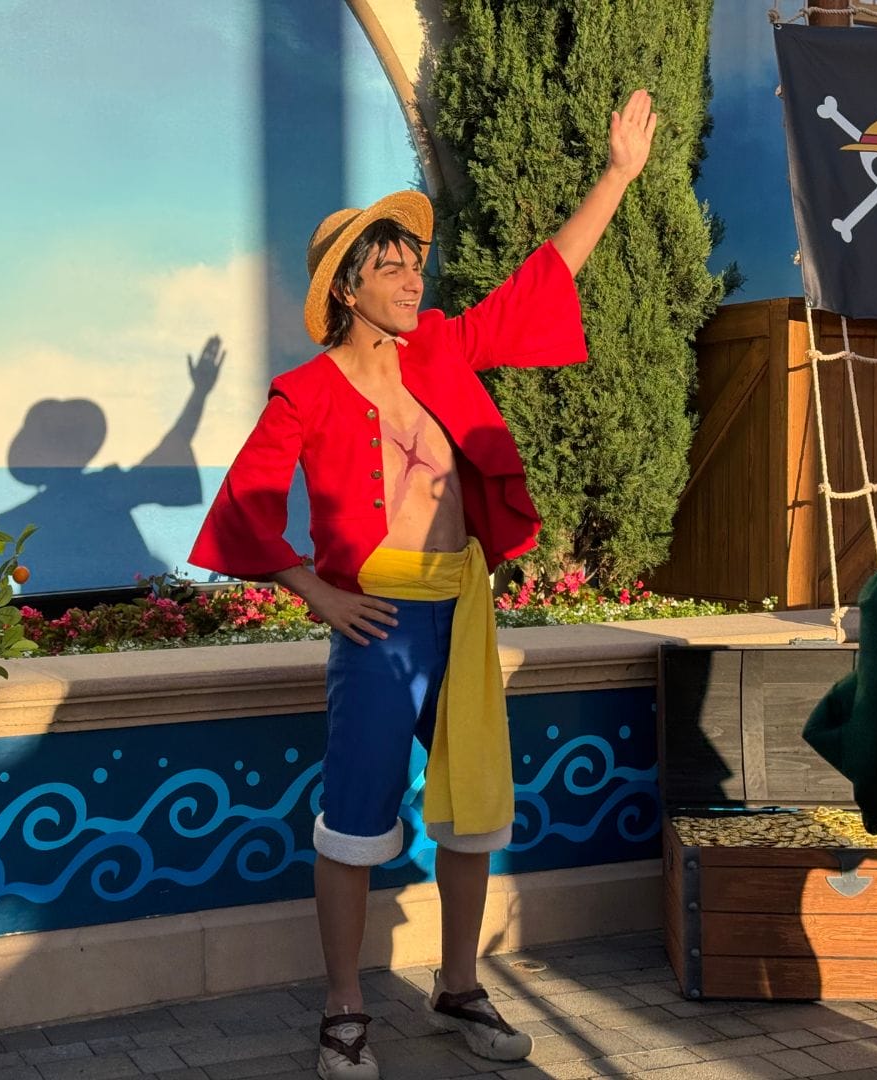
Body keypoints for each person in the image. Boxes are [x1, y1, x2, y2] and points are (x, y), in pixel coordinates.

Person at [190, 91, 658, 1079]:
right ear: (347, 288)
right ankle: (345, 1008)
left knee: (473, 809)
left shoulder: (443, 347)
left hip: (463, 607)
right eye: (391, 266)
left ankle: (457, 985)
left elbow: (542, 281)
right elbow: (245, 503)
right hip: (379, 624)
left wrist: (617, 175)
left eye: (415, 262)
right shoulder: (306, 392)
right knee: (354, 819)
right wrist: (318, 594)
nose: (414, 277)